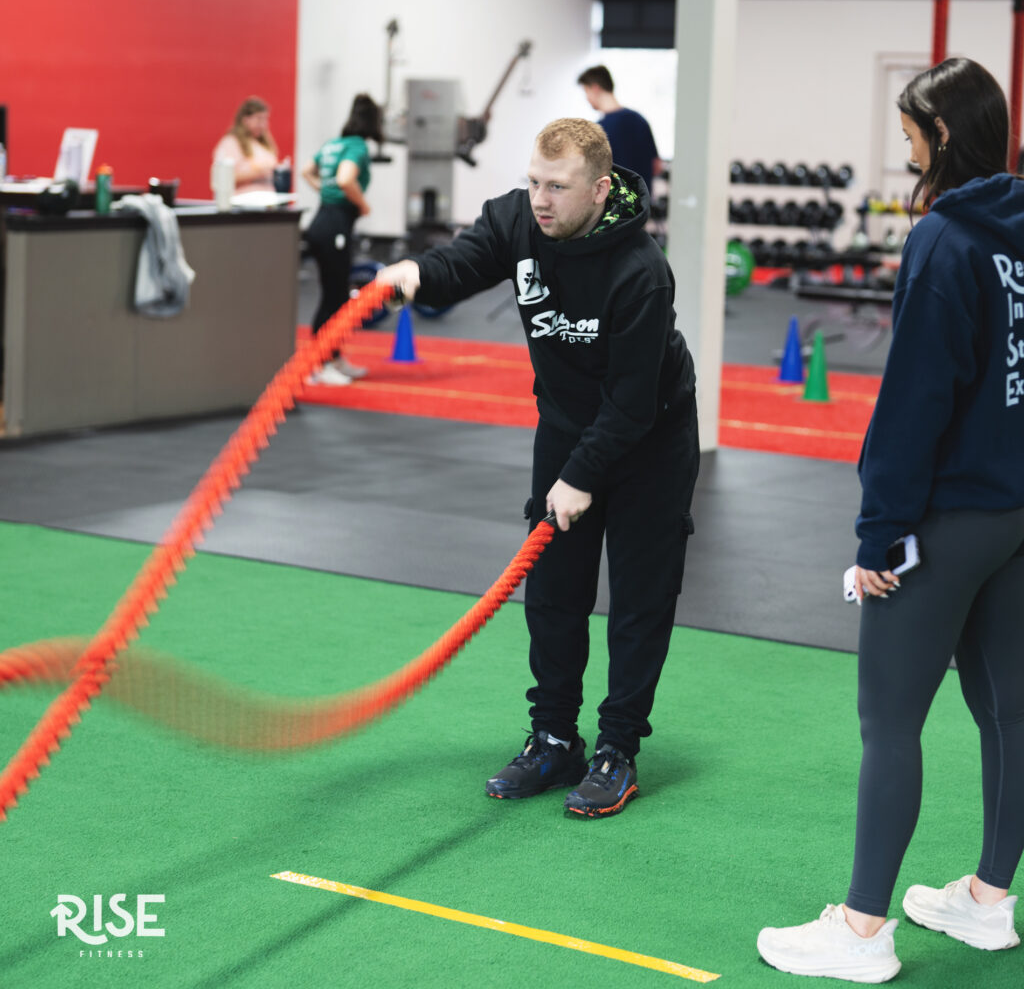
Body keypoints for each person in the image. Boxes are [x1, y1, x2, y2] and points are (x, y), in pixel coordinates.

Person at [758, 58, 1024, 983]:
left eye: (910, 128)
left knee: (890, 721)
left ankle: (863, 932)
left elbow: (914, 401)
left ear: (942, 135)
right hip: (1017, 511)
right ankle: (990, 902)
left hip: (949, 518)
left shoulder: (945, 239)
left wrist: (880, 537)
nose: (902, 142)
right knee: (1007, 710)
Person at [377, 118, 698, 818]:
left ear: (599, 189)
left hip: (649, 435)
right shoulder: (517, 222)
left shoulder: (640, 272)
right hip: (564, 424)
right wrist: (414, 273)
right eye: (533, 183)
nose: (541, 200)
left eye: (558, 187)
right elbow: (462, 261)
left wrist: (582, 475)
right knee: (554, 590)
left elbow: (632, 403)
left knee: (641, 597)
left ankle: (617, 749)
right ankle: (554, 737)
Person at [300, 94, 382, 386]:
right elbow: (347, 179)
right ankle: (318, 365)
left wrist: (325, 191)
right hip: (334, 225)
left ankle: (332, 357)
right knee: (333, 297)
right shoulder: (357, 146)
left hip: (322, 222)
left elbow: (306, 170)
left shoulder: (333, 144)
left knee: (335, 296)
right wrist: (363, 205)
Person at [577, 65, 660, 195]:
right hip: (641, 206)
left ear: (595, 88)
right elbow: (657, 166)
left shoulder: (597, 131)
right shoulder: (639, 120)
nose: (587, 98)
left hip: (614, 208)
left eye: (586, 92)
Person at [212, 96, 279, 194]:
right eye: (259, 119)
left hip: (268, 200)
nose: (263, 124)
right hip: (243, 201)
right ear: (245, 119)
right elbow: (223, 177)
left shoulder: (263, 143)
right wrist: (258, 173)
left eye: (265, 119)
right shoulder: (231, 143)